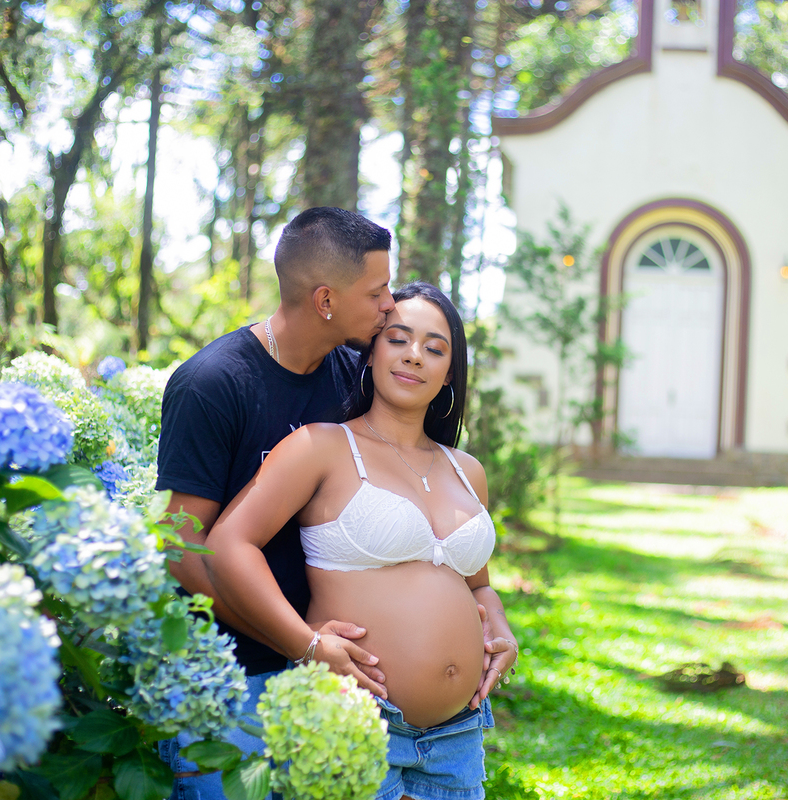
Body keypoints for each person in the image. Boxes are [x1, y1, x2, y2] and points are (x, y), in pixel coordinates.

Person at [204, 282, 519, 800]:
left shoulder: (468, 471)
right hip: (356, 722)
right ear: (371, 352)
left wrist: (500, 627)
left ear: (448, 376)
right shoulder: (321, 446)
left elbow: (477, 585)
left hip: (458, 736)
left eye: (435, 348)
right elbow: (228, 544)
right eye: (399, 339)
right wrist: (305, 644)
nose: (415, 356)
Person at [156, 207, 397, 797]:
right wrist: (301, 639)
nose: (390, 304)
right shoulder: (211, 384)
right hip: (225, 682)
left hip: (321, 677)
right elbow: (180, 548)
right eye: (377, 291)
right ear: (325, 301)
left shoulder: (353, 377)